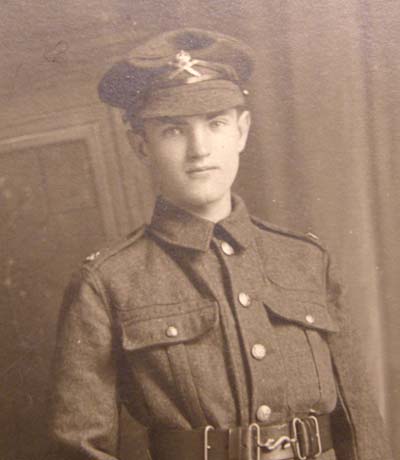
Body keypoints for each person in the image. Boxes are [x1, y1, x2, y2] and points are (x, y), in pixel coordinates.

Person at [48, 28, 392, 460]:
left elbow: (361, 425)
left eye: (215, 123)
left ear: (242, 132)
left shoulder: (307, 260)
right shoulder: (106, 284)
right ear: (141, 145)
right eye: (174, 130)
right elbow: (79, 448)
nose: (200, 149)